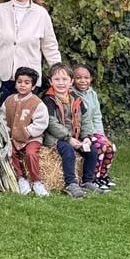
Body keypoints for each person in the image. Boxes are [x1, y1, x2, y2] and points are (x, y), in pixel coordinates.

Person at [42, 62, 100, 198]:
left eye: (65, 79)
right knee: (68, 151)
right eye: (57, 79)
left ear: (71, 81)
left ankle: (87, 181)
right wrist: (69, 138)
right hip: (56, 138)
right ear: (51, 82)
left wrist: (86, 136)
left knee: (92, 151)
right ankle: (71, 184)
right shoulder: (48, 100)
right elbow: (51, 123)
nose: (61, 83)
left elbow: (85, 119)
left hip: (76, 136)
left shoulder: (76, 99)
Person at [1, 67, 50, 197]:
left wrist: (27, 132)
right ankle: (21, 178)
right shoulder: (9, 100)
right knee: (9, 152)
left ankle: (36, 181)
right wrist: (7, 131)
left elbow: (41, 123)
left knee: (30, 153)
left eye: (27, 82)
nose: (22, 85)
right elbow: (2, 119)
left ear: (33, 86)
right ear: (15, 83)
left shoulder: (36, 103)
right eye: (19, 81)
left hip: (31, 138)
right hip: (12, 137)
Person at [72, 63, 116, 192]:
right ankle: (93, 179)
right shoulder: (72, 94)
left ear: (91, 78)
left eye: (86, 77)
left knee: (110, 147)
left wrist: (101, 135)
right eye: (78, 77)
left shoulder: (92, 94)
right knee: (100, 147)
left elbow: (97, 116)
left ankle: (103, 176)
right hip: (81, 132)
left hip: (94, 131)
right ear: (72, 79)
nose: (83, 80)